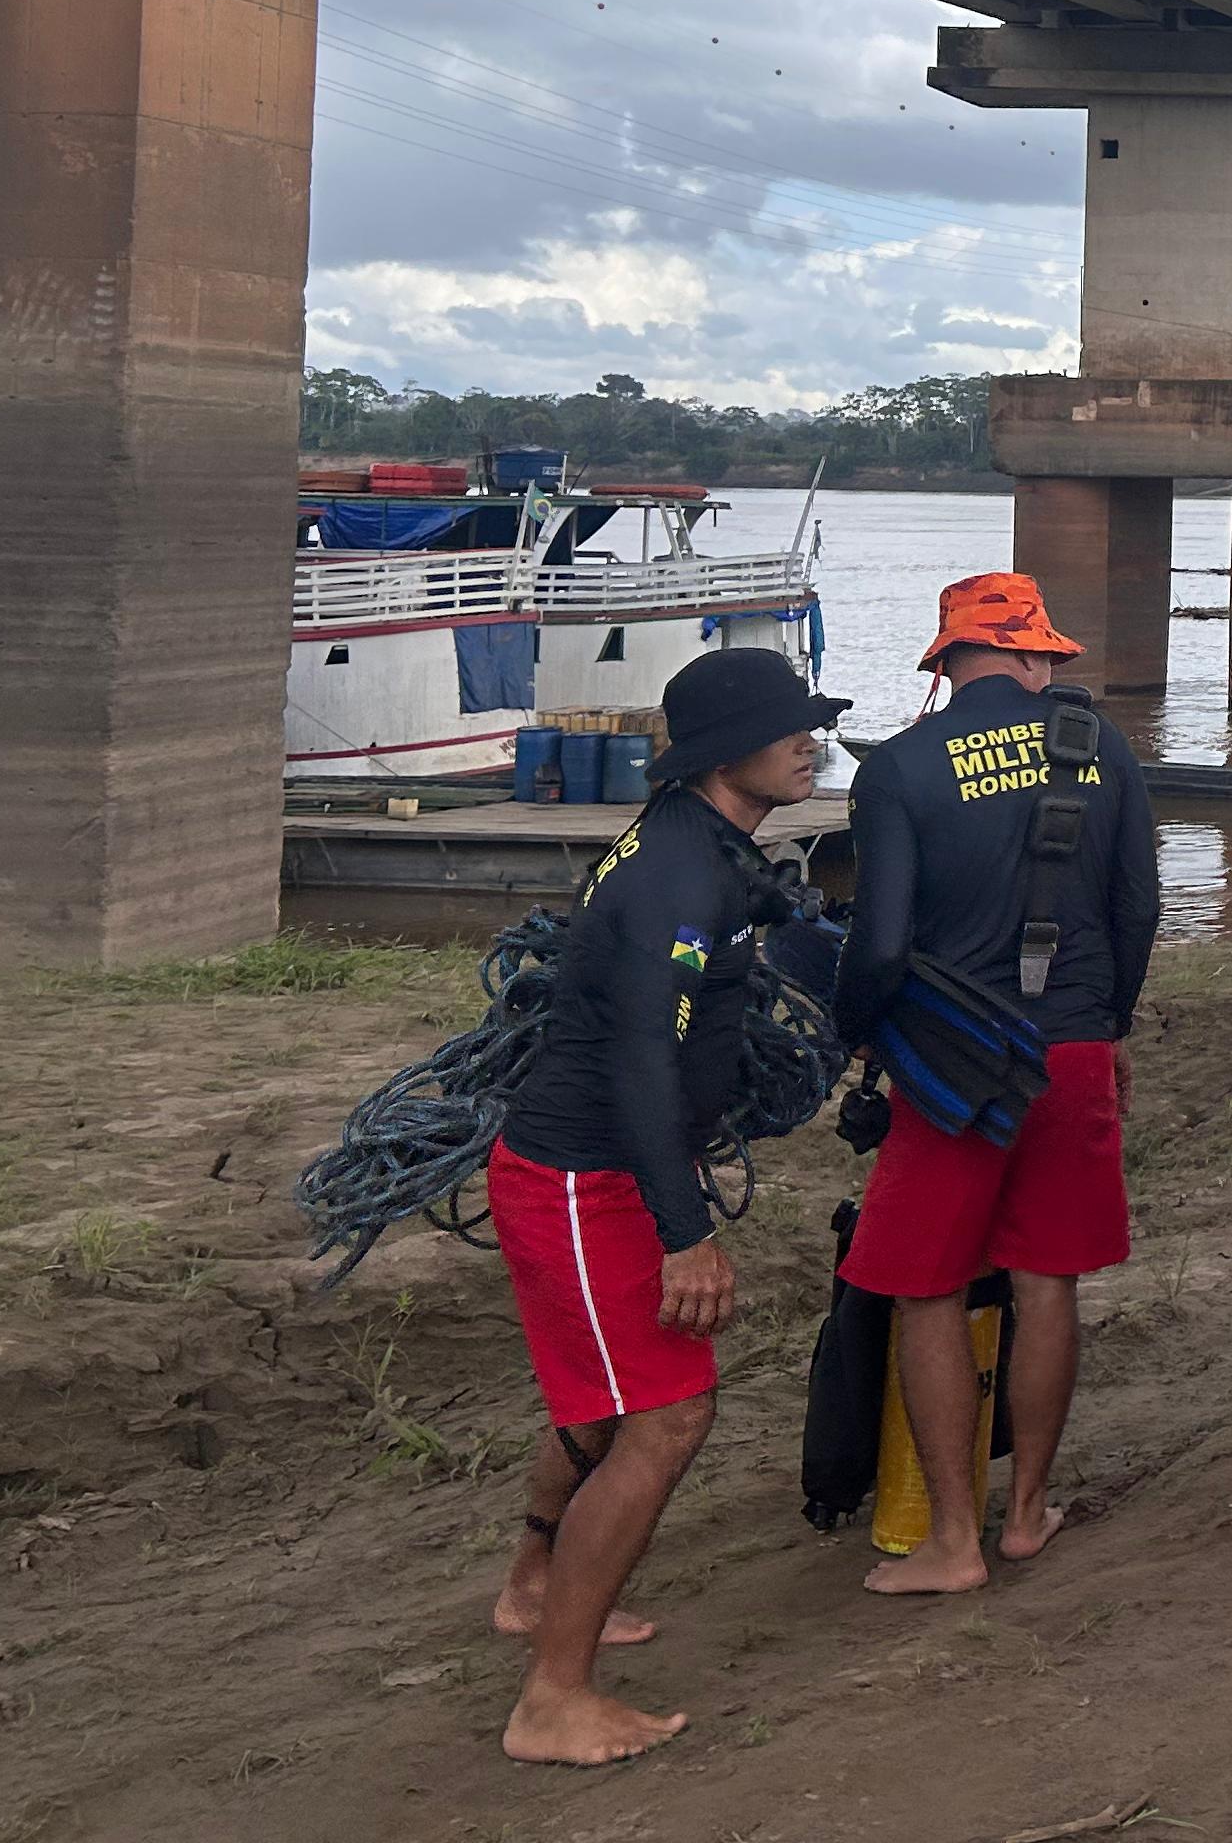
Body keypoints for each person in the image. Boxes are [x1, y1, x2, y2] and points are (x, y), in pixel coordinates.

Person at [487, 644, 843, 1765]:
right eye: (791, 728)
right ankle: (554, 1698)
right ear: (720, 751)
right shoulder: (676, 881)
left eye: (813, 724)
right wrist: (685, 1233)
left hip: (602, 1171)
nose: (812, 741)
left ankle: (536, 1586)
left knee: (603, 1406)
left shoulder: (709, 850)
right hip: (586, 1182)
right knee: (669, 1413)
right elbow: (644, 1060)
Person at [830, 573, 1159, 1594]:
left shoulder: (897, 769)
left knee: (925, 1289)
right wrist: (1105, 1030)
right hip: (1070, 1053)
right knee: (1044, 1279)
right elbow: (1139, 909)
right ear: (1029, 659)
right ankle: (1026, 1517)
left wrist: (862, 1039)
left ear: (947, 662)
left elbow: (878, 946)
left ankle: (952, 1544)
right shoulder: (1103, 750)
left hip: (952, 1069)